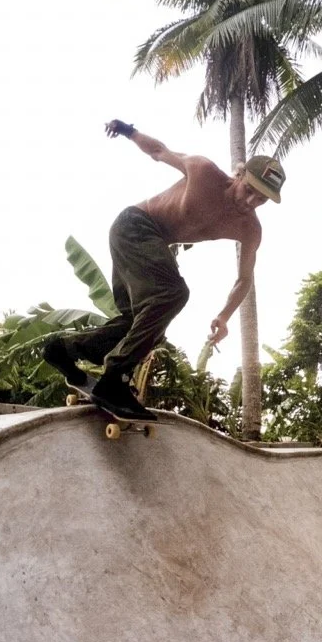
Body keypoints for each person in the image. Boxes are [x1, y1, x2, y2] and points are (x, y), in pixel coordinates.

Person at [44, 119, 286, 421]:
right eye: (249, 190)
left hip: (149, 244)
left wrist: (224, 317)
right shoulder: (203, 171)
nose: (250, 202)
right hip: (134, 225)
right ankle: (114, 380)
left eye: (261, 199)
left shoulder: (250, 229)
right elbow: (159, 151)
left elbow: (244, 279)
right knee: (173, 294)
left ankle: (63, 351)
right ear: (239, 174)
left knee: (143, 324)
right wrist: (127, 131)